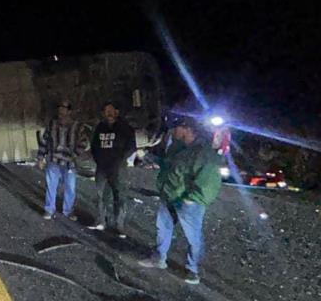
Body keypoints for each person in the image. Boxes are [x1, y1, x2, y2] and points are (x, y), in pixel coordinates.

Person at [138, 116, 222, 285]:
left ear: (187, 129)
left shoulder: (204, 152)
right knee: (163, 228)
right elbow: (169, 166)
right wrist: (150, 158)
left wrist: (193, 199)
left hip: (188, 202)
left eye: (176, 128)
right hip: (169, 195)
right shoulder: (178, 147)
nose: (172, 131)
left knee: (193, 237)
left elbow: (209, 181)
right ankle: (159, 258)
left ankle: (192, 271)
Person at [88, 101, 136, 238]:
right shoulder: (100, 127)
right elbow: (94, 146)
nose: (108, 113)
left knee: (119, 197)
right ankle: (101, 221)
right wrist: (99, 160)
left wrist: (119, 161)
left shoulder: (125, 128)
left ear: (116, 112)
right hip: (102, 168)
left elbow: (131, 147)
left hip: (118, 169)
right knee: (101, 195)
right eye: (106, 111)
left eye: (110, 110)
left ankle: (119, 226)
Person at [37, 100, 83, 221]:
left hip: (70, 163)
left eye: (64, 108)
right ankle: (49, 210)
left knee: (70, 188)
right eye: (60, 108)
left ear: (69, 111)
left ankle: (68, 211)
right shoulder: (52, 124)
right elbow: (44, 141)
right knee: (51, 186)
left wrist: (74, 154)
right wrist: (41, 157)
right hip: (53, 161)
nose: (61, 111)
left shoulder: (77, 126)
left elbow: (83, 142)